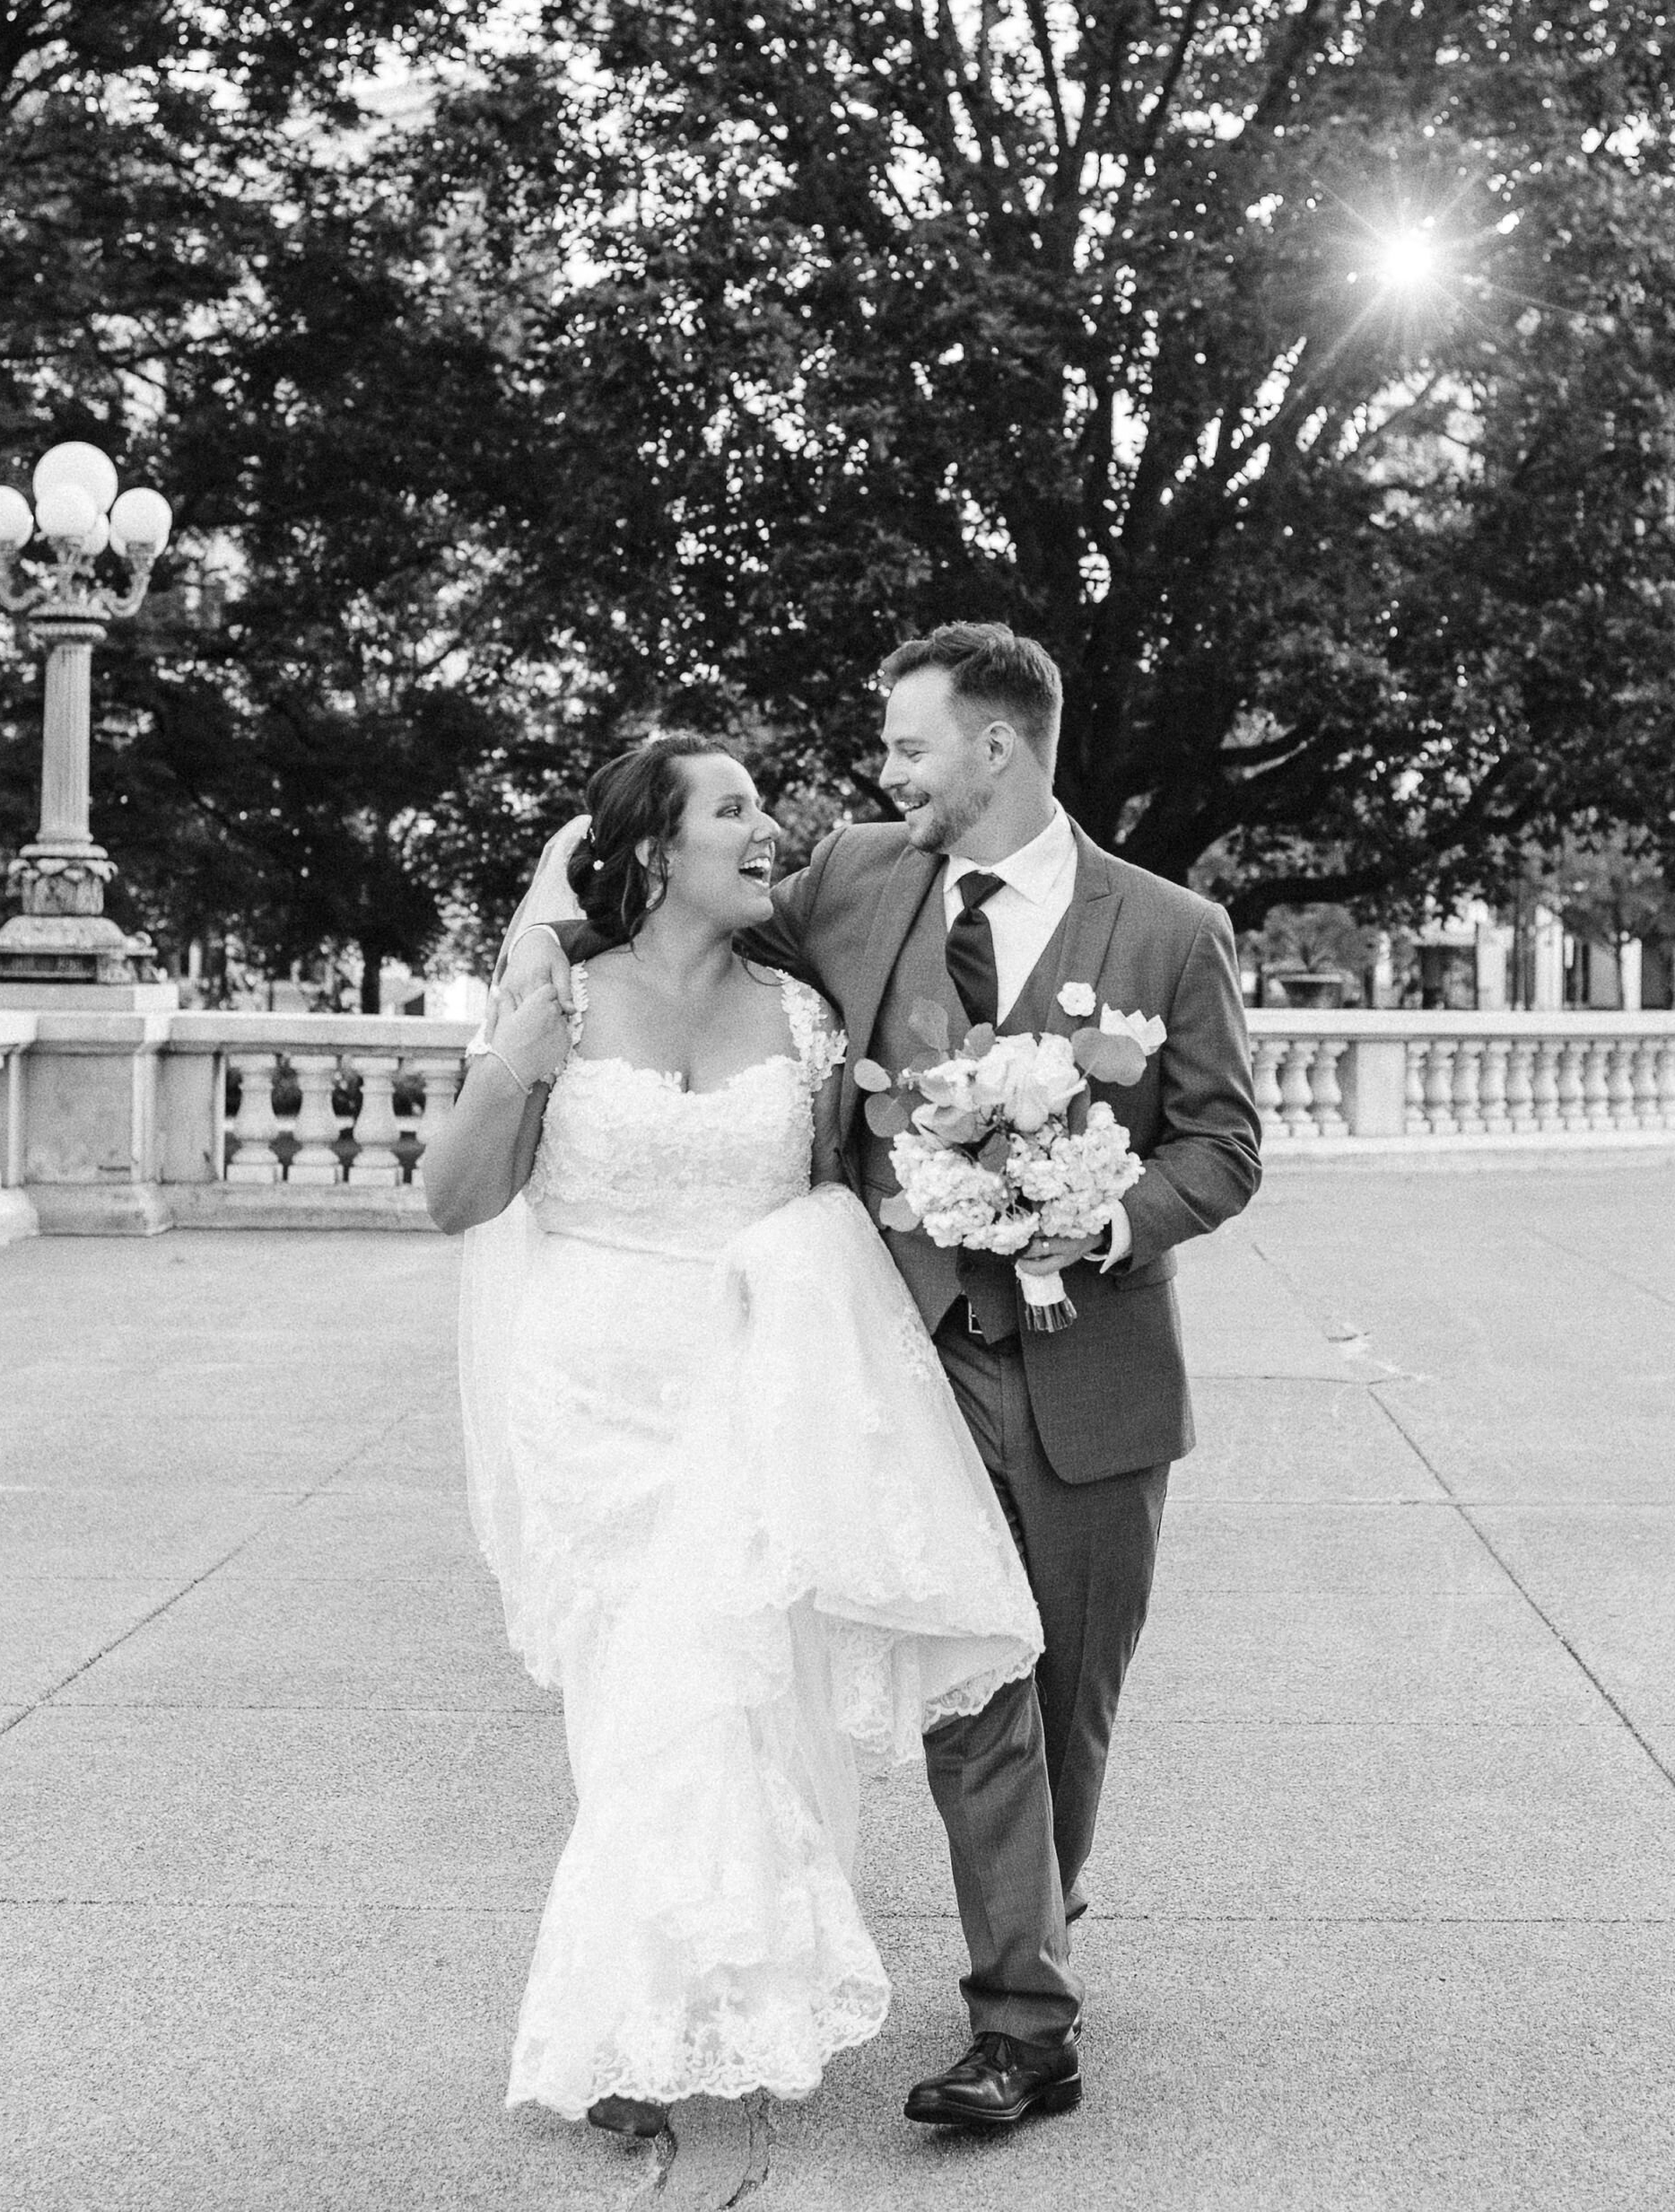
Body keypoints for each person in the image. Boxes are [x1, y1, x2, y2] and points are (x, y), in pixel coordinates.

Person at [496, 624, 1262, 2130]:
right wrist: (534, 951)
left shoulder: (1171, 928)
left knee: (1069, 1703)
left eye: (911, 745)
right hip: (886, 1355)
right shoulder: (853, 870)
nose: (884, 771)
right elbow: (650, 890)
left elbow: (1224, 1147)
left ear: (996, 748)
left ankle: (1036, 1934)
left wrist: (1096, 1216)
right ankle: (1023, 2025)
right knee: (968, 1677)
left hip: (1092, 1373)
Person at [424, 733, 1043, 2133]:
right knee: (638, 1704)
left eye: (764, 804)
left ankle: (663, 2020)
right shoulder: (555, 1007)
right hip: (589, 1396)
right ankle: (636, 2017)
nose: (774, 826)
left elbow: (845, 1201)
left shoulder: (807, 1024)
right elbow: (456, 1202)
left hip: (753, 1386)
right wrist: (513, 1067)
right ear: (655, 853)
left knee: (727, 1696)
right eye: (735, 808)